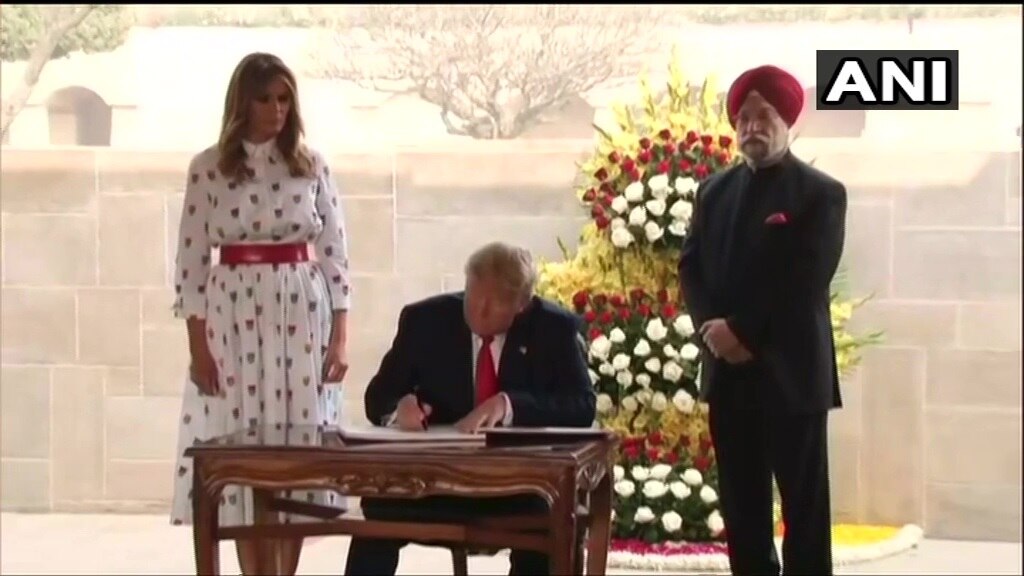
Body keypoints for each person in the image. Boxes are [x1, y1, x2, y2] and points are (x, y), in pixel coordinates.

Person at [167, 52, 353, 575]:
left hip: (299, 309)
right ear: (242, 102)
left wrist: (340, 335)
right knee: (241, 448)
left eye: (284, 98)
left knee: (293, 448)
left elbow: (336, 251)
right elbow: (190, 261)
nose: (276, 109)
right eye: (265, 98)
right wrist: (197, 345)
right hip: (233, 314)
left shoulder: (310, 163)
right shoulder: (208, 168)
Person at [678, 64, 848, 576]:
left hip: (792, 376)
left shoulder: (821, 193)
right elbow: (691, 266)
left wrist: (744, 332)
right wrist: (714, 330)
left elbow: (806, 280)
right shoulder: (714, 192)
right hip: (730, 379)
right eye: (743, 117)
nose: (752, 126)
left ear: (787, 120)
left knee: (804, 509)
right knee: (743, 509)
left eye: (764, 115)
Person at [344, 241, 596, 576]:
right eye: (473, 296)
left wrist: (509, 404)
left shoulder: (554, 329)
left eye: (493, 304)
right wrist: (398, 410)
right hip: (434, 484)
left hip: (517, 488)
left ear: (522, 304)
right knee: (378, 511)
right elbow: (378, 397)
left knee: (546, 523)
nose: (478, 310)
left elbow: (582, 406)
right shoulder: (425, 320)